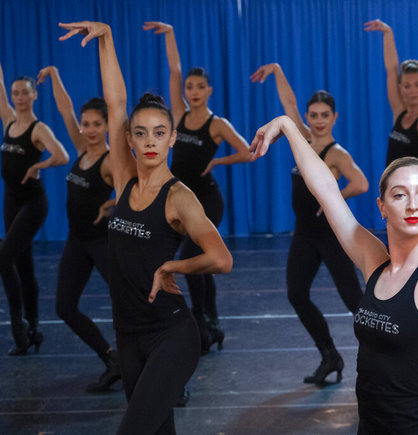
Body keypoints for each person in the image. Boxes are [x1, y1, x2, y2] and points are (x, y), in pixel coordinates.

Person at [250, 115, 418, 433]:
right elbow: (327, 192)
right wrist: (288, 126)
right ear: (382, 206)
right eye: (399, 194)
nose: (412, 205)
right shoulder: (374, 261)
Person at [59, 20, 233, 434]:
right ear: (131, 141)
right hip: (128, 334)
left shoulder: (179, 198)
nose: (150, 141)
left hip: (171, 334)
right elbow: (116, 104)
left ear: (172, 138)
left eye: (159, 133)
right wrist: (106, 40)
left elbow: (222, 259)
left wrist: (176, 268)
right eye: (141, 134)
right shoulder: (123, 180)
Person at [250, 63, 369, 384]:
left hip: (330, 236)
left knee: (353, 300)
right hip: (304, 235)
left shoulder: (336, 153)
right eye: (313, 115)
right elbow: (288, 107)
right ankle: (330, 355)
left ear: (334, 118)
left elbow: (361, 183)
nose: (317, 121)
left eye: (324, 115)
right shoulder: (301, 138)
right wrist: (277, 70)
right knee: (296, 294)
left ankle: (384, 352)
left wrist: (332, 198)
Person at [143, 21, 252, 355]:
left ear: (209, 91)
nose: (192, 91)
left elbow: (248, 151)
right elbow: (174, 71)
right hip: (179, 200)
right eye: (190, 87)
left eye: (199, 87)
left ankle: (204, 320)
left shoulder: (216, 124)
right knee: (198, 264)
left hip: (206, 201)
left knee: (193, 258)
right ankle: (210, 322)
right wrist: (172, 35)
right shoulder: (178, 114)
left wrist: (218, 162)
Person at [36, 66, 120, 392]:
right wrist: (57, 75)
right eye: (86, 124)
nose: (89, 129)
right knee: (64, 307)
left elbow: (135, 188)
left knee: (128, 304)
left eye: (97, 124)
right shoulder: (82, 149)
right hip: (77, 240)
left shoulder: (112, 161)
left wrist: (113, 202)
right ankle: (110, 359)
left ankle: (146, 364)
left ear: (108, 124)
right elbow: (65, 109)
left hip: (103, 241)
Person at [0, 63, 69, 355]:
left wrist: (39, 165)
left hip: (33, 203)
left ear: (34, 95)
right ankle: (34, 328)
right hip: (11, 201)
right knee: (23, 267)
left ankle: (18, 325)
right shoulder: (8, 120)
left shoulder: (38, 129)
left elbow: (62, 155)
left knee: (4, 259)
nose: (19, 97)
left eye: (25, 93)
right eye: (15, 93)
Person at [364, 19, 418, 167]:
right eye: (407, 86)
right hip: (392, 183)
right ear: (401, 88)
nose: (413, 91)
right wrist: (387, 32)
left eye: (417, 85)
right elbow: (392, 70)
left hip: (411, 185)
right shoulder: (400, 110)